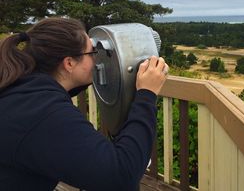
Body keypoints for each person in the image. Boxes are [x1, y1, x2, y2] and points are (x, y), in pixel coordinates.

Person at [0, 17, 168, 191]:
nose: (97, 59)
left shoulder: (21, 87)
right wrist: (147, 93)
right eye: (92, 53)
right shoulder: (44, 113)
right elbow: (121, 176)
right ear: (69, 63)